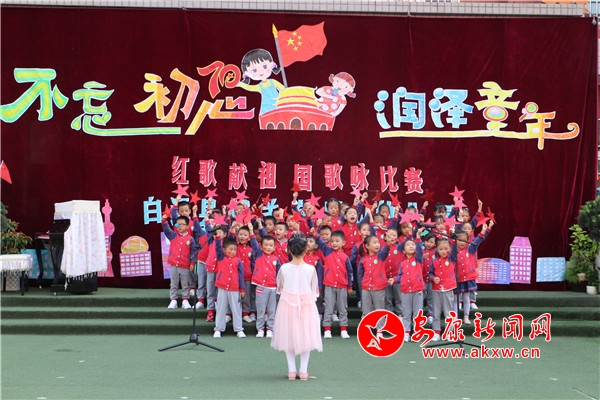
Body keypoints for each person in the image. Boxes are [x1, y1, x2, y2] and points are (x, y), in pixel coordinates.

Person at [271, 234, 323, 381]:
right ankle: (303, 370)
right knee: (306, 335)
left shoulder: (284, 268)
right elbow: (314, 289)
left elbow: (280, 286)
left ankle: (292, 370)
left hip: (288, 304)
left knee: (289, 335)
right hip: (306, 305)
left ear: (289, 250)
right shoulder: (310, 269)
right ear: (306, 250)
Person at [453, 221, 493, 325]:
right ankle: (455, 317)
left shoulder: (470, 249)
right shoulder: (453, 251)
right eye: (459, 240)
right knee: (456, 299)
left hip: (468, 278)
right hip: (457, 279)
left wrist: (483, 231)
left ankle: (466, 316)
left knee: (466, 298)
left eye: (464, 240)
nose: (462, 242)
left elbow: (478, 240)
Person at [315, 230, 353, 339]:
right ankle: (327, 329)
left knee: (342, 308)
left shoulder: (345, 257)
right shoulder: (327, 251)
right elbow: (320, 242)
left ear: (343, 243)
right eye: (332, 241)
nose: (334, 243)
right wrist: (315, 234)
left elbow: (349, 272)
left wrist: (350, 286)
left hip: (342, 286)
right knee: (328, 308)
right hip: (329, 285)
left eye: (337, 241)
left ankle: (343, 329)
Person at [388, 237, 425, 342]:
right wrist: (394, 279)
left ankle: (417, 332)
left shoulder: (418, 259)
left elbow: (420, 251)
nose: (411, 246)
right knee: (406, 313)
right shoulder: (403, 263)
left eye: (413, 245)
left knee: (417, 314)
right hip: (405, 291)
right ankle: (406, 332)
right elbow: (400, 276)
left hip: (417, 290)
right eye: (408, 245)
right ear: (404, 251)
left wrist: (418, 238)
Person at [251, 222, 281, 338]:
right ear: (261, 246)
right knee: (261, 309)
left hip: (272, 288)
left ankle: (270, 328)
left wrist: (280, 285)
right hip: (261, 287)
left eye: (270, 245)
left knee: (272, 309)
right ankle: (260, 328)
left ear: (274, 247)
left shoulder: (276, 259)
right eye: (266, 245)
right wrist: (251, 231)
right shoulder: (259, 254)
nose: (268, 247)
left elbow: (279, 274)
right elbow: (253, 243)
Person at [162, 215, 198, 310]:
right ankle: (173, 299)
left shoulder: (190, 239)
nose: (180, 227)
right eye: (178, 224)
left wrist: (192, 263)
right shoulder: (173, 235)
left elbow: (193, 252)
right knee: (174, 283)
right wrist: (164, 221)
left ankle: (185, 300)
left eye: (182, 224)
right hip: (174, 264)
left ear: (187, 226)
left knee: (185, 283)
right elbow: (167, 230)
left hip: (185, 265)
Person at [213, 237, 246, 338]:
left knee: (236, 309)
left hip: (234, 288)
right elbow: (218, 248)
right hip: (222, 287)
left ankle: (239, 329)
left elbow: (241, 276)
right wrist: (217, 239)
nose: (233, 252)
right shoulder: (221, 257)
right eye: (230, 249)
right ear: (224, 250)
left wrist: (242, 288)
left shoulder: (238, 261)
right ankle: (218, 329)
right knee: (221, 308)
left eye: (235, 249)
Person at [237, 48, 284, 115]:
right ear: (247, 73)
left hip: (278, 105)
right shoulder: (259, 86)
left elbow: (283, 88)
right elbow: (250, 88)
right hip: (266, 109)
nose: (260, 71)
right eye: (254, 70)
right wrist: (240, 84)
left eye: (264, 66)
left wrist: (282, 92)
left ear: (271, 65)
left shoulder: (273, 82)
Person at [429, 238, 456, 341]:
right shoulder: (434, 261)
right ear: (437, 249)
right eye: (441, 249)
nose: (443, 251)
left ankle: (449, 332)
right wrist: (433, 278)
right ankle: (436, 332)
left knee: (448, 312)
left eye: (446, 249)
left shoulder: (451, 259)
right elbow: (430, 273)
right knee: (436, 312)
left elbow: (454, 250)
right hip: (436, 289)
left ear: (449, 249)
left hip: (448, 288)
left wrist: (453, 241)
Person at [357, 235, 390, 318]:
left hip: (379, 287)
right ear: (367, 246)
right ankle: (365, 325)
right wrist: (363, 282)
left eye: (378, 242)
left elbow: (386, 250)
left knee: (379, 310)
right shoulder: (363, 259)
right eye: (374, 243)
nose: (377, 245)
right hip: (366, 288)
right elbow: (360, 274)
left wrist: (388, 242)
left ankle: (380, 326)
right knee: (366, 310)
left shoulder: (380, 256)